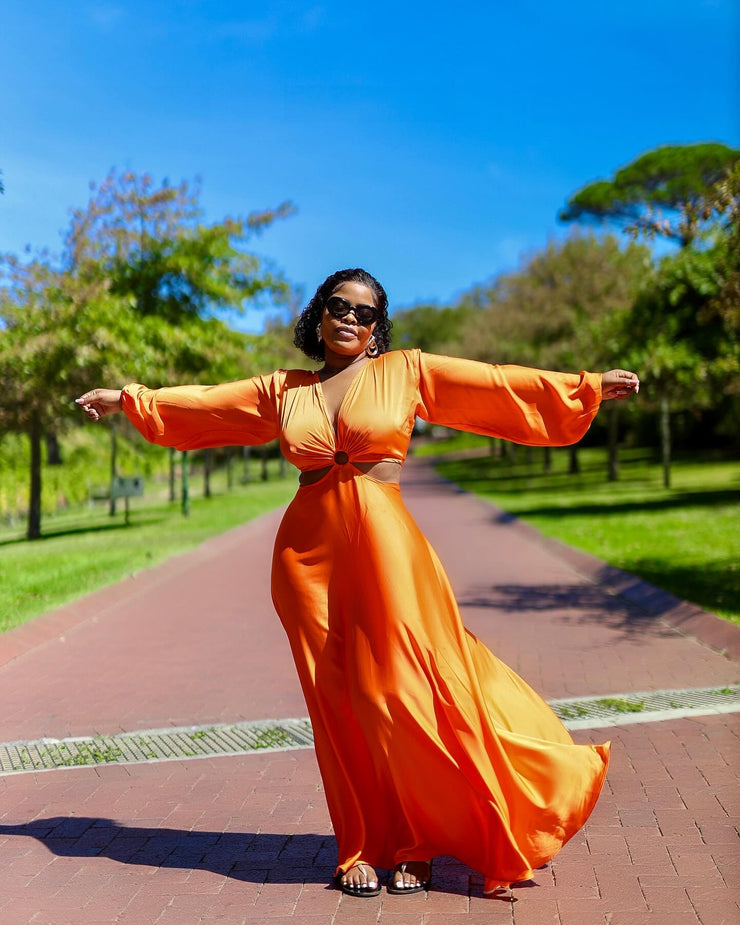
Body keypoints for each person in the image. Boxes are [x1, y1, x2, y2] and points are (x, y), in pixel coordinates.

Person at [77, 267, 640, 899]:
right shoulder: (283, 390)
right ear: (319, 315)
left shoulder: (406, 371)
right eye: (338, 306)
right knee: (338, 707)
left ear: (377, 330)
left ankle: (416, 840)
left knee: (397, 694)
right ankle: (362, 846)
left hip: (389, 551)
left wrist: (584, 387)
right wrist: (129, 400)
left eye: (364, 313)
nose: (350, 317)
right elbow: (205, 403)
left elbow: (494, 384)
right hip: (307, 563)